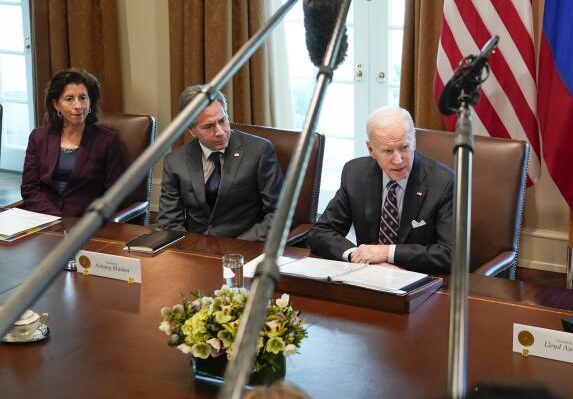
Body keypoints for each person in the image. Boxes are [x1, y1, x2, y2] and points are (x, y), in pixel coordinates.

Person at [309, 107, 453, 275]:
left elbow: (449, 253)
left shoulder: (442, 181)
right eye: (388, 151)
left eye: (404, 147)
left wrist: (386, 252)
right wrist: (358, 257)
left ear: (414, 141)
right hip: (368, 276)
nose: (398, 159)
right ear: (371, 150)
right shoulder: (355, 174)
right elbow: (321, 232)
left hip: (419, 280)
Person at [157, 85, 284, 241]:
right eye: (208, 127)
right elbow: (169, 223)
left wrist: (237, 246)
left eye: (222, 121)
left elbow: (279, 213)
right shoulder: (175, 162)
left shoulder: (259, 151)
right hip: (196, 250)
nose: (220, 132)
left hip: (246, 247)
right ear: (191, 130)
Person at [21, 68, 125, 217]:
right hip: (44, 220)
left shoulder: (107, 141)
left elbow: (114, 194)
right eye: (69, 99)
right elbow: (29, 188)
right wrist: (57, 219)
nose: (78, 105)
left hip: (85, 225)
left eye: (83, 98)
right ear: (56, 104)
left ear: (90, 101)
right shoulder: (38, 138)